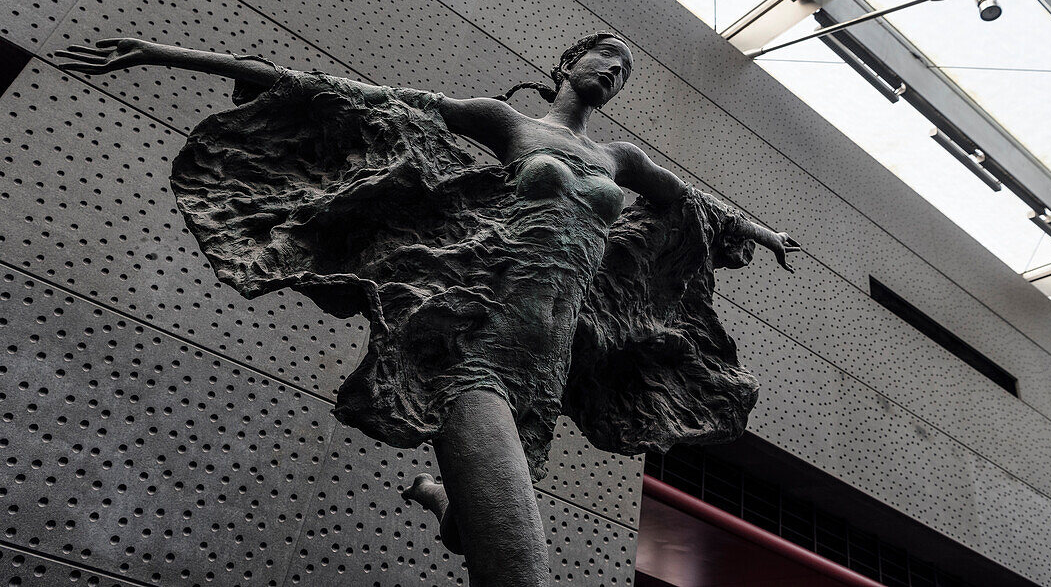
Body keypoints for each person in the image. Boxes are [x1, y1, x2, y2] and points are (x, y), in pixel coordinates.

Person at [57, 33, 800, 586]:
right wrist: (163, 53)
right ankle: (451, 493)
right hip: (472, 345)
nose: (614, 69)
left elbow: (695, 207)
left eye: (626, 68)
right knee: (518, 566)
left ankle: (445, 497)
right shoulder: (508, 125)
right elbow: (353, 97)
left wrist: (767, 234)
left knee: (483, 535)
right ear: (566, 63)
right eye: (604, 55)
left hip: (550, 363)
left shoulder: (622, 161)